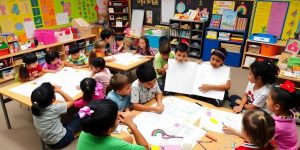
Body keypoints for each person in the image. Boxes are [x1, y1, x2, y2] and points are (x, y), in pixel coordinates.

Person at [77, 100, 149, 150]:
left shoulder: (84, 132)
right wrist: (132, 125)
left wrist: (112, 115)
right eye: (117, 118)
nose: (118, 116)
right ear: (109, 130)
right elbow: (146, 148)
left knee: (129, 139)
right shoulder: (116, 145)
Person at [31, 83, 80, 149]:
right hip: (61, 141)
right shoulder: (54, 108)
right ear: (53, 99)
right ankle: (73, 134)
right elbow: (71, 101)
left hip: (47, 140)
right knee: (79, 116)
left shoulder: (35, 108)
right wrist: (59, 90)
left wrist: (48, 88)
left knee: (63, 120)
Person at [266, 80, 299, 150]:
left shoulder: (277, 126)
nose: (266, 101)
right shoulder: (290, 113)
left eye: (268, 99)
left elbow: (262, 138)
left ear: (277, 107)